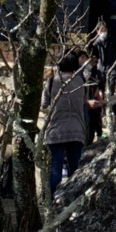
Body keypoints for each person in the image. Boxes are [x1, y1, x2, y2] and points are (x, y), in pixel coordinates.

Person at [42, 54, 87, 197]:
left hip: (56, 130)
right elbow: (84, 102)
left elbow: (44, 104)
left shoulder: (51, 82)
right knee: (75, 169)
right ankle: (73, 201)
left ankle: (50, 201)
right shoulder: (81, 82)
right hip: (77, 130)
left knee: (55, 168)